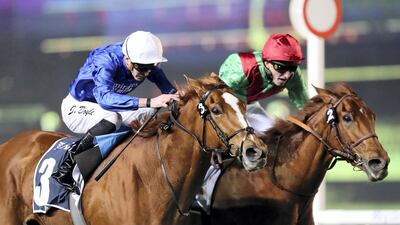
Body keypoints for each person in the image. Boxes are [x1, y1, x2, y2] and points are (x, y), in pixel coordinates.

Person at [192, 33, 309, 214]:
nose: (287, 75)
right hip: (227, 108)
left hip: (248, 106)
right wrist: (217, 147)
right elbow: (219, 105)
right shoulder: (240, 69)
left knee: (273, 141)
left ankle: (263, 191)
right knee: (222, 148)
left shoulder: (292, 75)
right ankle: (198, 194)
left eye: (292, 68)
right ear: (267, 62)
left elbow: (306, 108)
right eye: (281, 68)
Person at [52, 31, 180, 192]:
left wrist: (181, 99)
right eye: (142, 68)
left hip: (105, 109)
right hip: (77, 107)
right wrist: (150, 101)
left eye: (152, 68)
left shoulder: (142, 60)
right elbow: (105, 100)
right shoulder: (106, 60)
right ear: (127, 59)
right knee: (113, 117)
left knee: (150, 113)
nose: (147, 73)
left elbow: (171, 92)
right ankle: (66, 168)